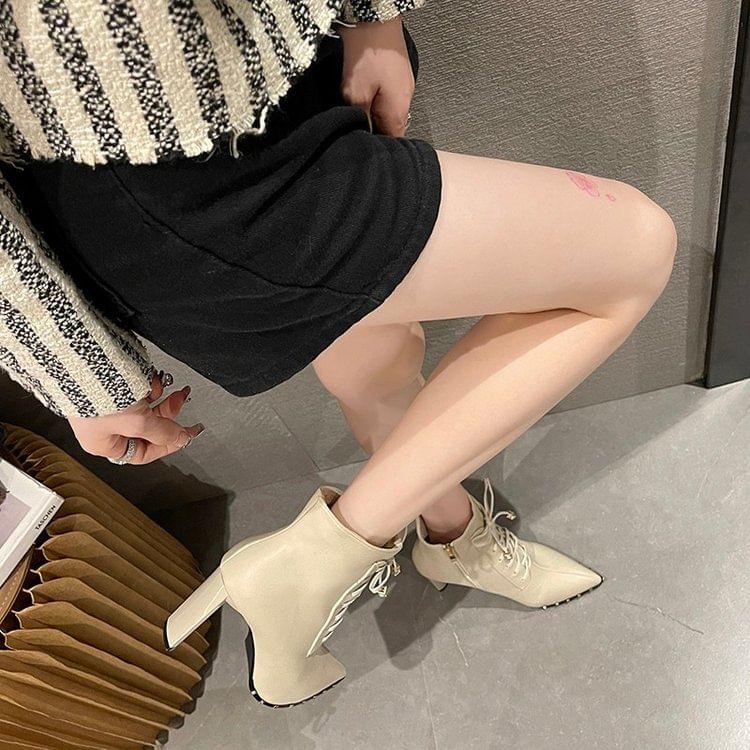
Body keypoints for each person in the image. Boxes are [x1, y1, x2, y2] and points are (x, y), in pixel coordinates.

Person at [0, 1, 678, 708]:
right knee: (634, 252)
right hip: (163, 165)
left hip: (282, 61)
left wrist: (368, 15)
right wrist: (73, 372)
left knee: (383, 355)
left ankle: (451, 536)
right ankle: (310, 565)